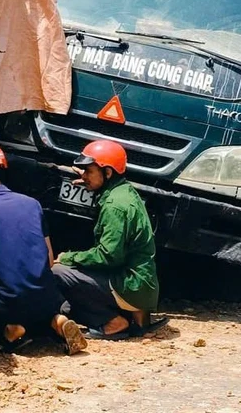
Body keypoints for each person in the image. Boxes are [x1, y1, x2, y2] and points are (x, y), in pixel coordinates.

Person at [0, 143, 87, 355]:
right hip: (46, 298)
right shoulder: (32, 204)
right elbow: (50, 259)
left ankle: (9, 329)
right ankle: (56, 320)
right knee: (35, 305)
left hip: (6, 303)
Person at [51, 140, 167, 339]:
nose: (84, 176)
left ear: (108, 173)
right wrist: (91, 181)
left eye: (89, 171)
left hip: (131, 286)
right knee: (65, 308)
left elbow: (108, 256)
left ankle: (114, 323)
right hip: (138, 286)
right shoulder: (123, 191)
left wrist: (68, 257)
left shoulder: (114, 206)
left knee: (58, 271)